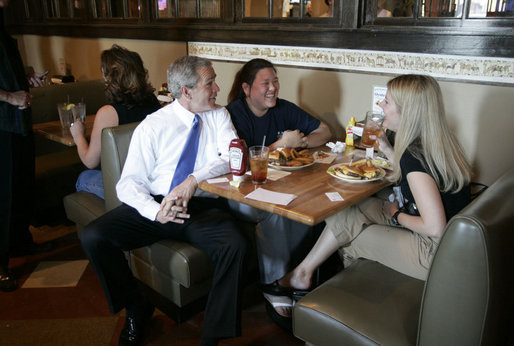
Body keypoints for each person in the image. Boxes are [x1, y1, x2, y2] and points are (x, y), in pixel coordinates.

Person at [80, 56, 246, 346]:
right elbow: (129, 183)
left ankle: (212, 337)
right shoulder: (153, 125)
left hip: (202, 207)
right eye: (210, 83)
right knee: (95, 236)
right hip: (158, 205)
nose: (218, 88)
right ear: (186, 91)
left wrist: (192, 181)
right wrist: (155, 212)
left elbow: (228, 158)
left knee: (235, 246)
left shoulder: (219, 115)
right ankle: (136, 306)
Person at [283, 74, 471, 292]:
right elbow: (417, 176)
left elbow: (435, 227)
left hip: (433, 251)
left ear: (407, 111)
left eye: (387, 101)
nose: (380, 104)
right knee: (349, 211)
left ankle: (347, 302)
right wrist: (387, 149)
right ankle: (302, 274)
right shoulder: (437, 142)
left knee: (349, 238)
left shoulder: (414, 156)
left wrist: (395, 215)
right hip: (449, 241)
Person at [226, 58, 331, 323]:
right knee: (274, 212)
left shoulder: (284, 109)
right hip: (240, 191)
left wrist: (301, 143)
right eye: (266, 83)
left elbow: (325, 131)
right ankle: (274, 284)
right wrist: (281, 144)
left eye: (275, 81)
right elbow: (235, 164)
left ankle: (296, 275)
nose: (273, 88)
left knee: (309, 203)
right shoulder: (233, 114)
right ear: (247, 88)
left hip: (279, 184)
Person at [70, 45, 160, 199]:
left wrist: (78, 136)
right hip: (152, 179)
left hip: (127, 184)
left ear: (109, 76)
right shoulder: (153, 101)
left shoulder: (108, 113)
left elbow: (90, 161)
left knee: (84, 177)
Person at [0, 0, 48, 292]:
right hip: (2, 124)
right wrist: (9, 97)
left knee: (20, 186)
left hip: (17, 123)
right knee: (2, 194)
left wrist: (26, 81)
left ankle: (19, 243)